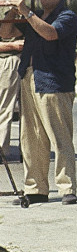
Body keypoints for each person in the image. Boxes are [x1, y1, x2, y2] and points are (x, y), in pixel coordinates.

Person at [0, 0, 77, 206]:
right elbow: (4, 33)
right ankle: (36, 188)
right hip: (29, 78)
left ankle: (67, 188)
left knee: (60, 137)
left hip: (54, 81)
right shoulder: (32, 15)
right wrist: (13, 11)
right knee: (31, 137)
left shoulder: (66, 16)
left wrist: (26, 12)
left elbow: (50, 33)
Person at [0, 25, 24, 157]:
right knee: (4, 108)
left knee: (29, 112)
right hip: (8, 59)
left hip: (25, 60)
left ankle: (29, 150)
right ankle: (1, 150)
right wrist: (13, 46)